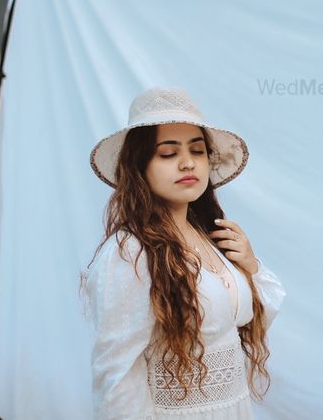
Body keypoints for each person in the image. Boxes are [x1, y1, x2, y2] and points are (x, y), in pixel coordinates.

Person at [82, 86, 285, 419]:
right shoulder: (129, 251)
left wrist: (250, 265)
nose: (188, 162)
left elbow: (254, 318)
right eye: (168, 153)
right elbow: (116, 376)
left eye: (198, 150)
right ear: (140, 166)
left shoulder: (209, 237)